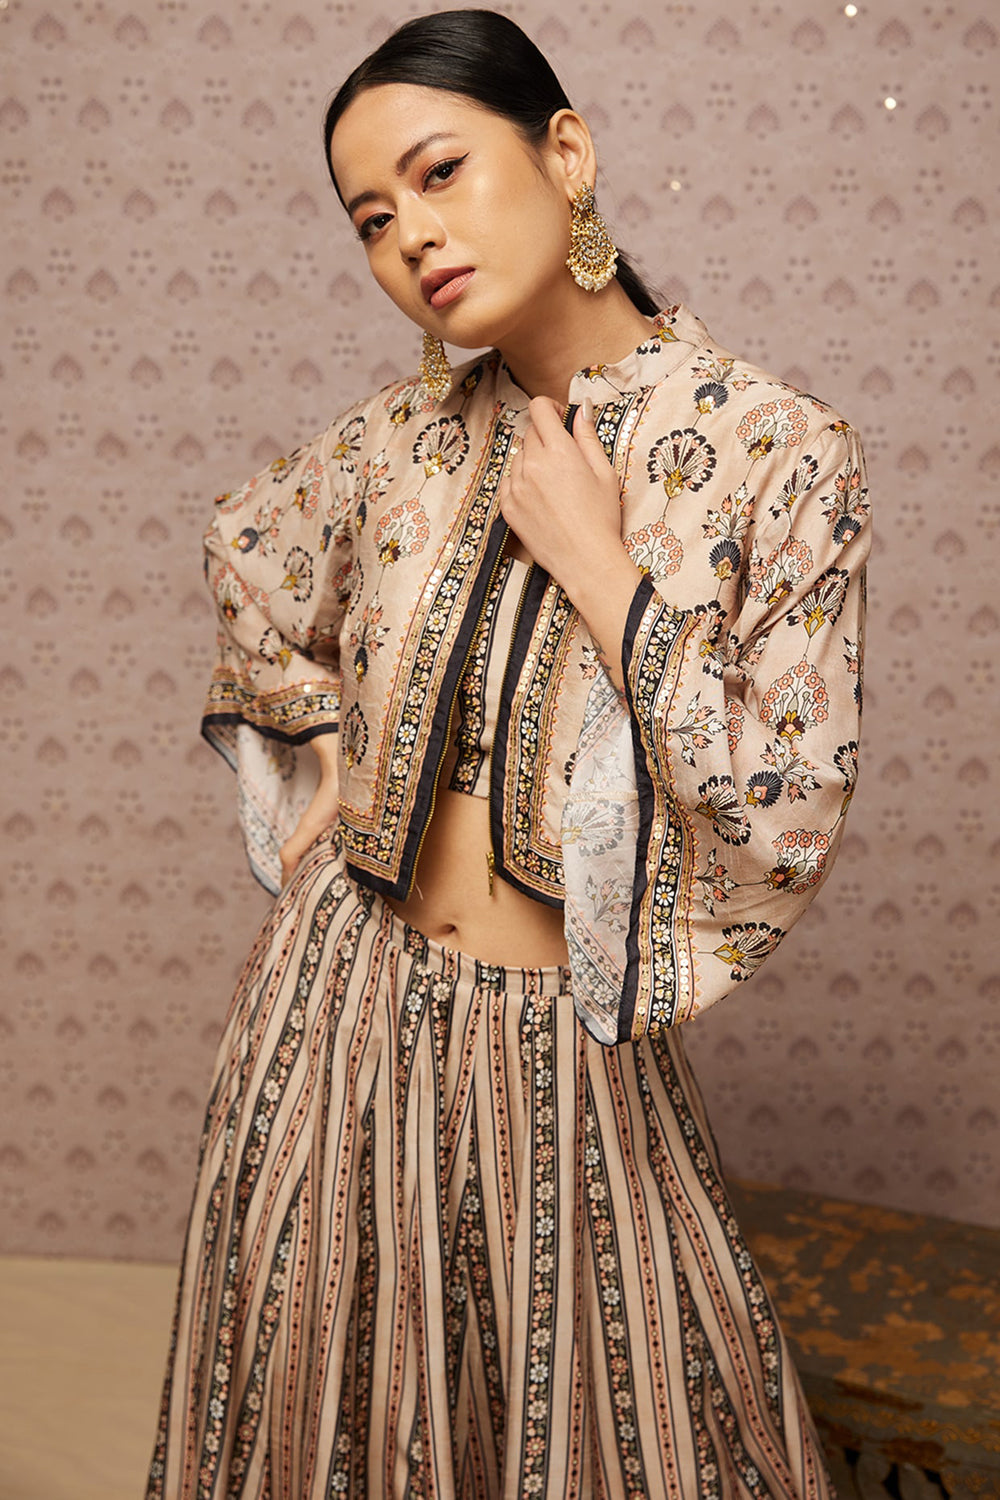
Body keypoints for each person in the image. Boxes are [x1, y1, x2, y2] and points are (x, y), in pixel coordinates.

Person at [147, 11, 870, 1498]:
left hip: (567, 1056)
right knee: (325, 1423)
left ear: (567, 154)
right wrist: (327, 749)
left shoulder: (782, 455)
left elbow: (783, 802)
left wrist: (605, 575)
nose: (411, 235)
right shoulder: (398, 439)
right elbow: (249, 549)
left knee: (623, 1431)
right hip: (335, 1017)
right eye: (371, 218)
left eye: (439, 173)